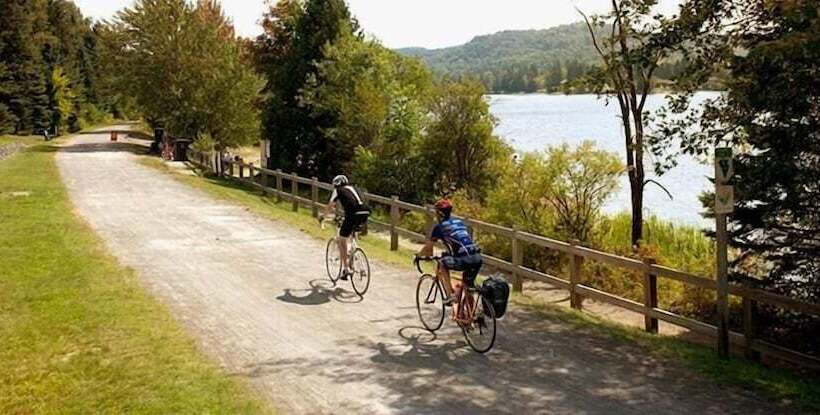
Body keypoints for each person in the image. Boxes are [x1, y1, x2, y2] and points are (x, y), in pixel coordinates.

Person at [418, 199, 483, 313]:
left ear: (440, 214)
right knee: (468, 285)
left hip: (463, 259)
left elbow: (428, 249)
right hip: (477, 258)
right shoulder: (459, 222)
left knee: (442, 263)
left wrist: (418, 256)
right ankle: (473, 315)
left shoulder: (439, 227)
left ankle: (450, 295)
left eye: (436, 212)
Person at [320, 175, 371, 280]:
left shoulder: (338, 190)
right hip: (365, 212)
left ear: (335, 184)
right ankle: (354, 256)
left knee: (341, 240)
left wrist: (323, 217)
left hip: (352, 214)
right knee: (351, 234)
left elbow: (331, 205)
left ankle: (346, 269)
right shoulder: (354, 188)